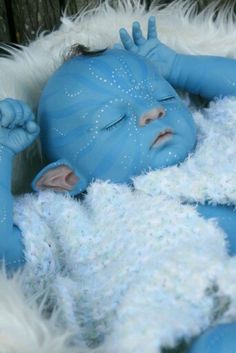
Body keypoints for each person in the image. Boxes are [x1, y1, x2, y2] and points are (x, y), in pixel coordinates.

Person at [0, 16, 236, 353]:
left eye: (163, 97)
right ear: (64, 178)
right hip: (183, 328)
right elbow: (6, 252)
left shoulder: (215, 132)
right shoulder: (71, 216)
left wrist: (178, 66)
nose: (151, 111)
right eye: (114, 120)